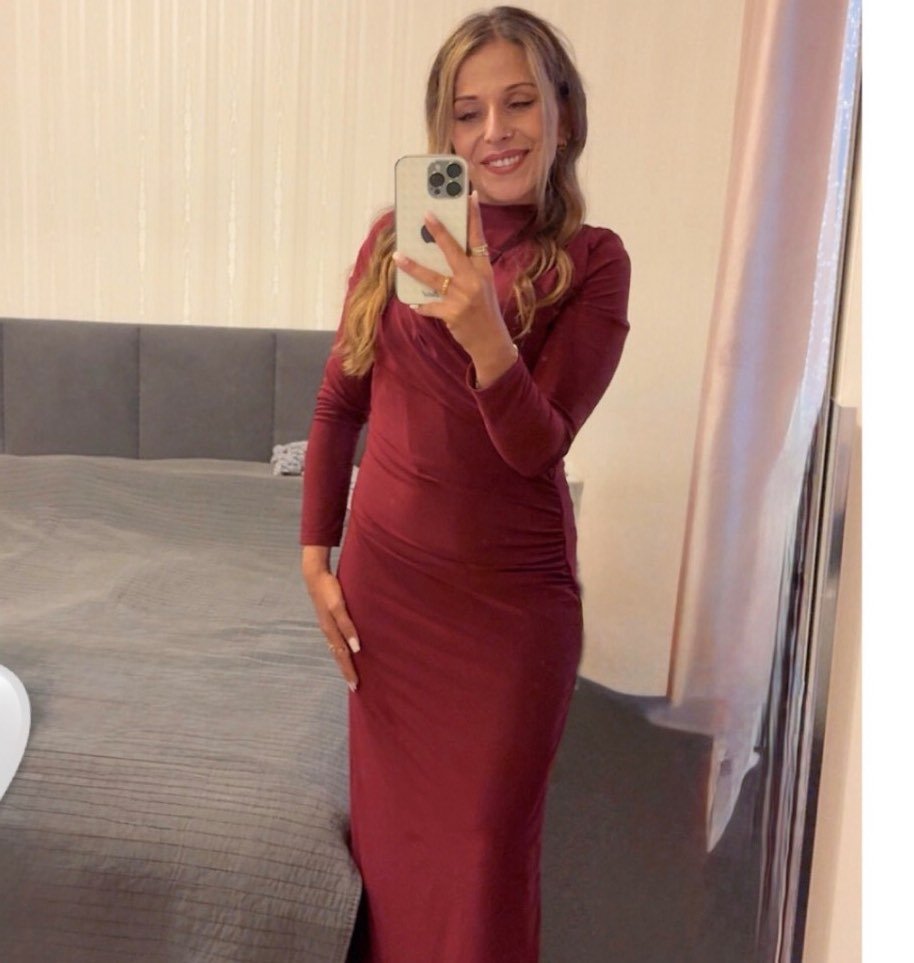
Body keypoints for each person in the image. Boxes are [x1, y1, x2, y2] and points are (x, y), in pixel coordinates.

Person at [300, 7, 630, 961]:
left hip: (507, 617)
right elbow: (339, 403)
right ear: (443, 131)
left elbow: (537, 446)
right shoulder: (394, 243)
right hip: (388, 600)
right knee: (394, 859)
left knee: (484, 857)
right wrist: (315, 559)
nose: (494, 132)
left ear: (562, 113)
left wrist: (488, 335)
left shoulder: (592, 262)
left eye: (518, 103)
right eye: (467, 111)